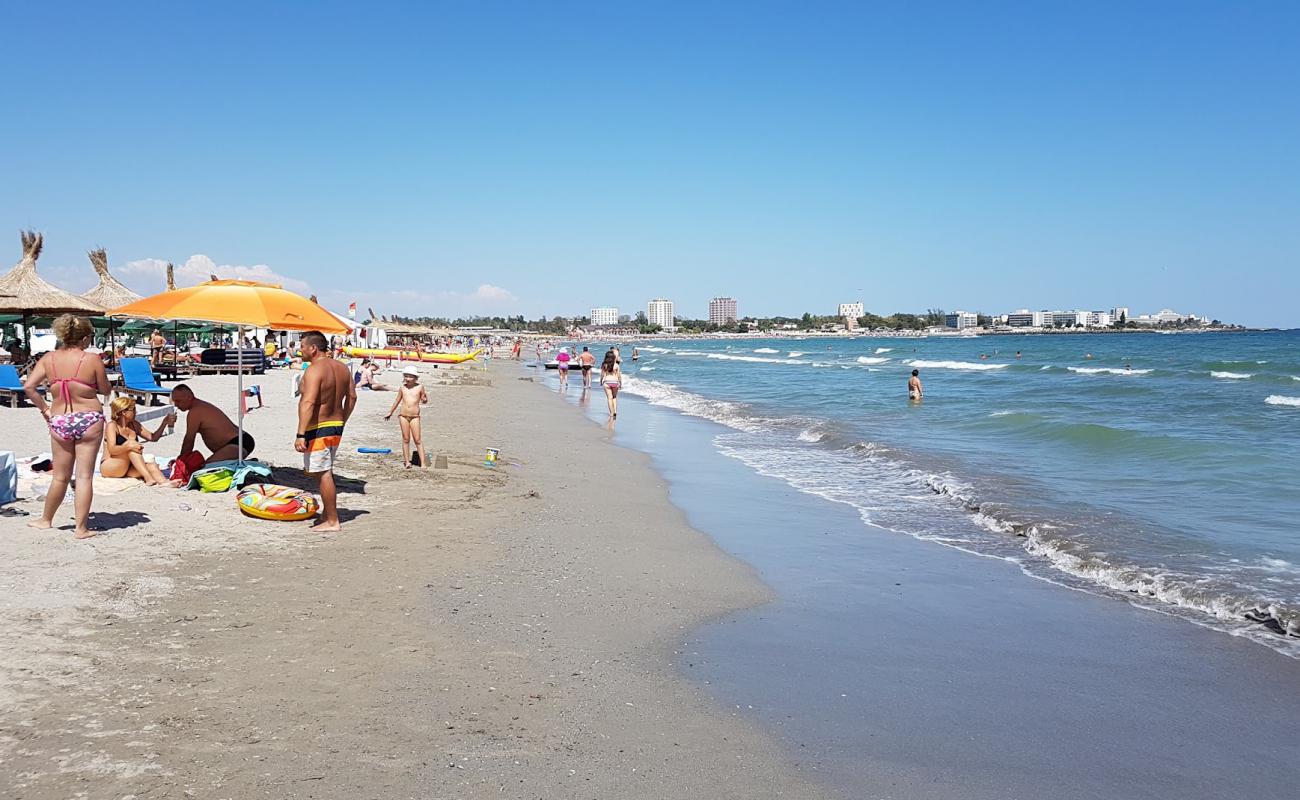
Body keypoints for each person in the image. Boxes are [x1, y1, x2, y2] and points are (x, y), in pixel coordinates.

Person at [22, 314, 111, 539]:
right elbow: (106, 389)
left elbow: (29, 387)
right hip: (88, 417)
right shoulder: (91, 359)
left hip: (60, 419)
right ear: (83, 339)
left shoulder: (49, 359)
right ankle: (81, 528)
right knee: (83, 476)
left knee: (60, 476)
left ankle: (46, 520)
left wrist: (45, 408)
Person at [296, 330, 356, 532]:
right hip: (335, 425)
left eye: (302, 346)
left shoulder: (314, 370)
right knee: (321, 470)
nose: (300, 350)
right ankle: (327, 512)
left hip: (318, 426)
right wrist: (343, 419)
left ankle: (332, 520)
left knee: (323, 473)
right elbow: (352, 397)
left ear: (313, 348)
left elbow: (309, 401)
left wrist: (300, 434)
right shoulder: (342, 368)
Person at [101, 396, 178, 485]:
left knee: (151, 465)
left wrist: (164, 423)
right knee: (131, 446)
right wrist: (128, 446)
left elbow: (153, 437)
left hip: (127, 467)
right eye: (133, 409)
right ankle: (148, 478)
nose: (136, 412)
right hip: (110, 466)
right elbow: (112, 450)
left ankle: (165, 483)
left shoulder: (134, 425)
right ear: (123, 412)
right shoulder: (112, 426)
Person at [173, 384, 255, 464]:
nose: (176, 405)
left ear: (189, 397)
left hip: (237, 442)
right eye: (174, 401)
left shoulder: (195, 411)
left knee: (208, 467)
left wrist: (181, 462)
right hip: (238, 441)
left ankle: (250, 465)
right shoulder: (199, 406)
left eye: (178, 401)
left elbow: (189, 440)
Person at [385, 366, 428, 469]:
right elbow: (397, 400)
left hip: (415, 416)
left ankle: (423, 463)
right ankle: (407, 462)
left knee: (417, 439)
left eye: (410, 377)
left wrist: (425, 399)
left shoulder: (420, 387)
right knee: (405, 439)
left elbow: (423, 399)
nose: (408, 379)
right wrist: (390, 412)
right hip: (403, 416)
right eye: (406, 376)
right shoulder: (402, 388)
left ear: (415, 378)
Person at [600, 350, 622, 418]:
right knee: (614, 397)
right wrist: (620, 383)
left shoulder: (604, 365)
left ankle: (611, 413)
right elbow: (619, 375)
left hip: (607, 382)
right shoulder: (616, 365)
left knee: (609, 398)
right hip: (615, 382)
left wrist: (601, 381)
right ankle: (615, 411)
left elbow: (602, 374)